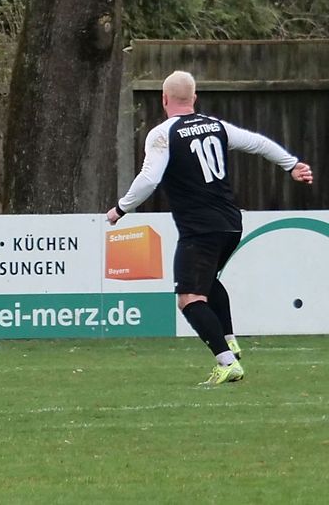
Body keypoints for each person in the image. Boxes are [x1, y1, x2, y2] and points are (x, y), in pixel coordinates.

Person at [106, 70, 314, 385]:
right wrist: (291, 164)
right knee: (208, 282)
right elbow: (257, 143)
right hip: (231, 224)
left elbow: (149, 178)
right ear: (194, 98)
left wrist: (121, 208)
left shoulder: (163, 134)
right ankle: (229, 340)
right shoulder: (216, 126)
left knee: (189, 298)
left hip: (200, 229)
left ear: (164, 99)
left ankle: (226, 362)